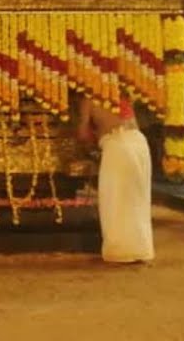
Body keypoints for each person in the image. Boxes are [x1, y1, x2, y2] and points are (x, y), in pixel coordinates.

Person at [76, 95, 154, 263]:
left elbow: (82, 134)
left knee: (114, 200)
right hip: (139, 144)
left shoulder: (88, 99)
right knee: (137, 200)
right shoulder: (119, 92)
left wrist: (88, 140)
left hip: (118, 146)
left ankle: (120, 252)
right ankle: (141, 249)